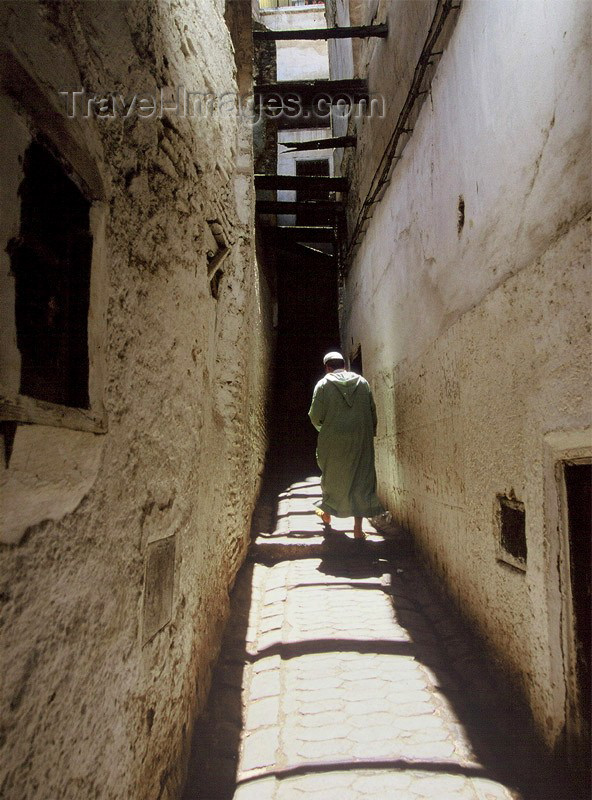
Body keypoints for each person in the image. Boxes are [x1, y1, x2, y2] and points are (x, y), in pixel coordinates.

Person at [308, 351, 384, 539]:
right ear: (345, 365)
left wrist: (325, 430)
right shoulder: (363, 383)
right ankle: (358, 530)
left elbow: (315, 416)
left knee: (332, 476)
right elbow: (372, 412)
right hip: (360, 439)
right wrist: (368, 433)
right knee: (361, 479)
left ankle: (327, 513)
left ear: (327, 368)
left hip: (333, 441)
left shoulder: (323, 385)